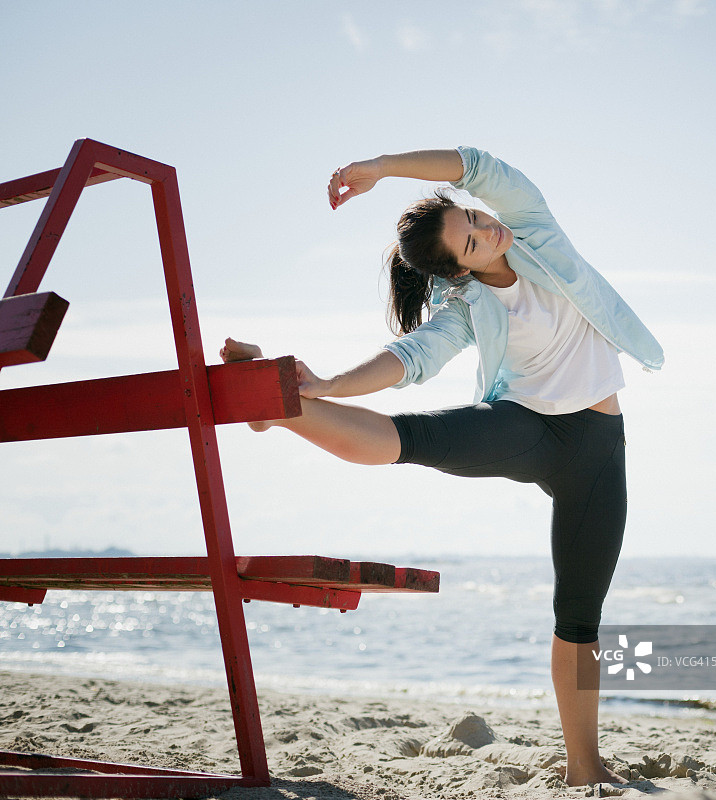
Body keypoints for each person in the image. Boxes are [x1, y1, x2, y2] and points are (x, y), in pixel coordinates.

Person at [221, 147, 664, 787]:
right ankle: (285, 407)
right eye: (472, 243)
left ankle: (583, 767)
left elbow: (474, 165)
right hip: (527, 430)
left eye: (474, 220)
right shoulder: (468, 309)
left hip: (599, 450)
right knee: (410, 439)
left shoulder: (535, 229)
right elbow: (411, 357)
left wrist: (377, 168)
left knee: (580, 615)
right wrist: (326, 386)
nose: (487, 231)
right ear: (461, 271)